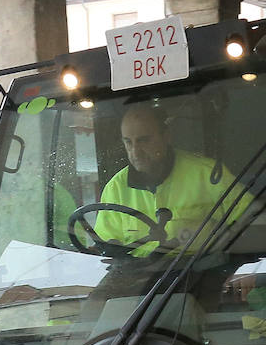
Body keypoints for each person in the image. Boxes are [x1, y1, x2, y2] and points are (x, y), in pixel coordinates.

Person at [94, 104, 240, 254]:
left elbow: (253, 226)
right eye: (128, 142)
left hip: (198, 273)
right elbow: (105, 245)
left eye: (144, 140)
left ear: (166, 136)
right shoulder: (115, 188)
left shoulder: (209, 175)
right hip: (135, 274)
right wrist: (109, 248)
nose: (135, 153)